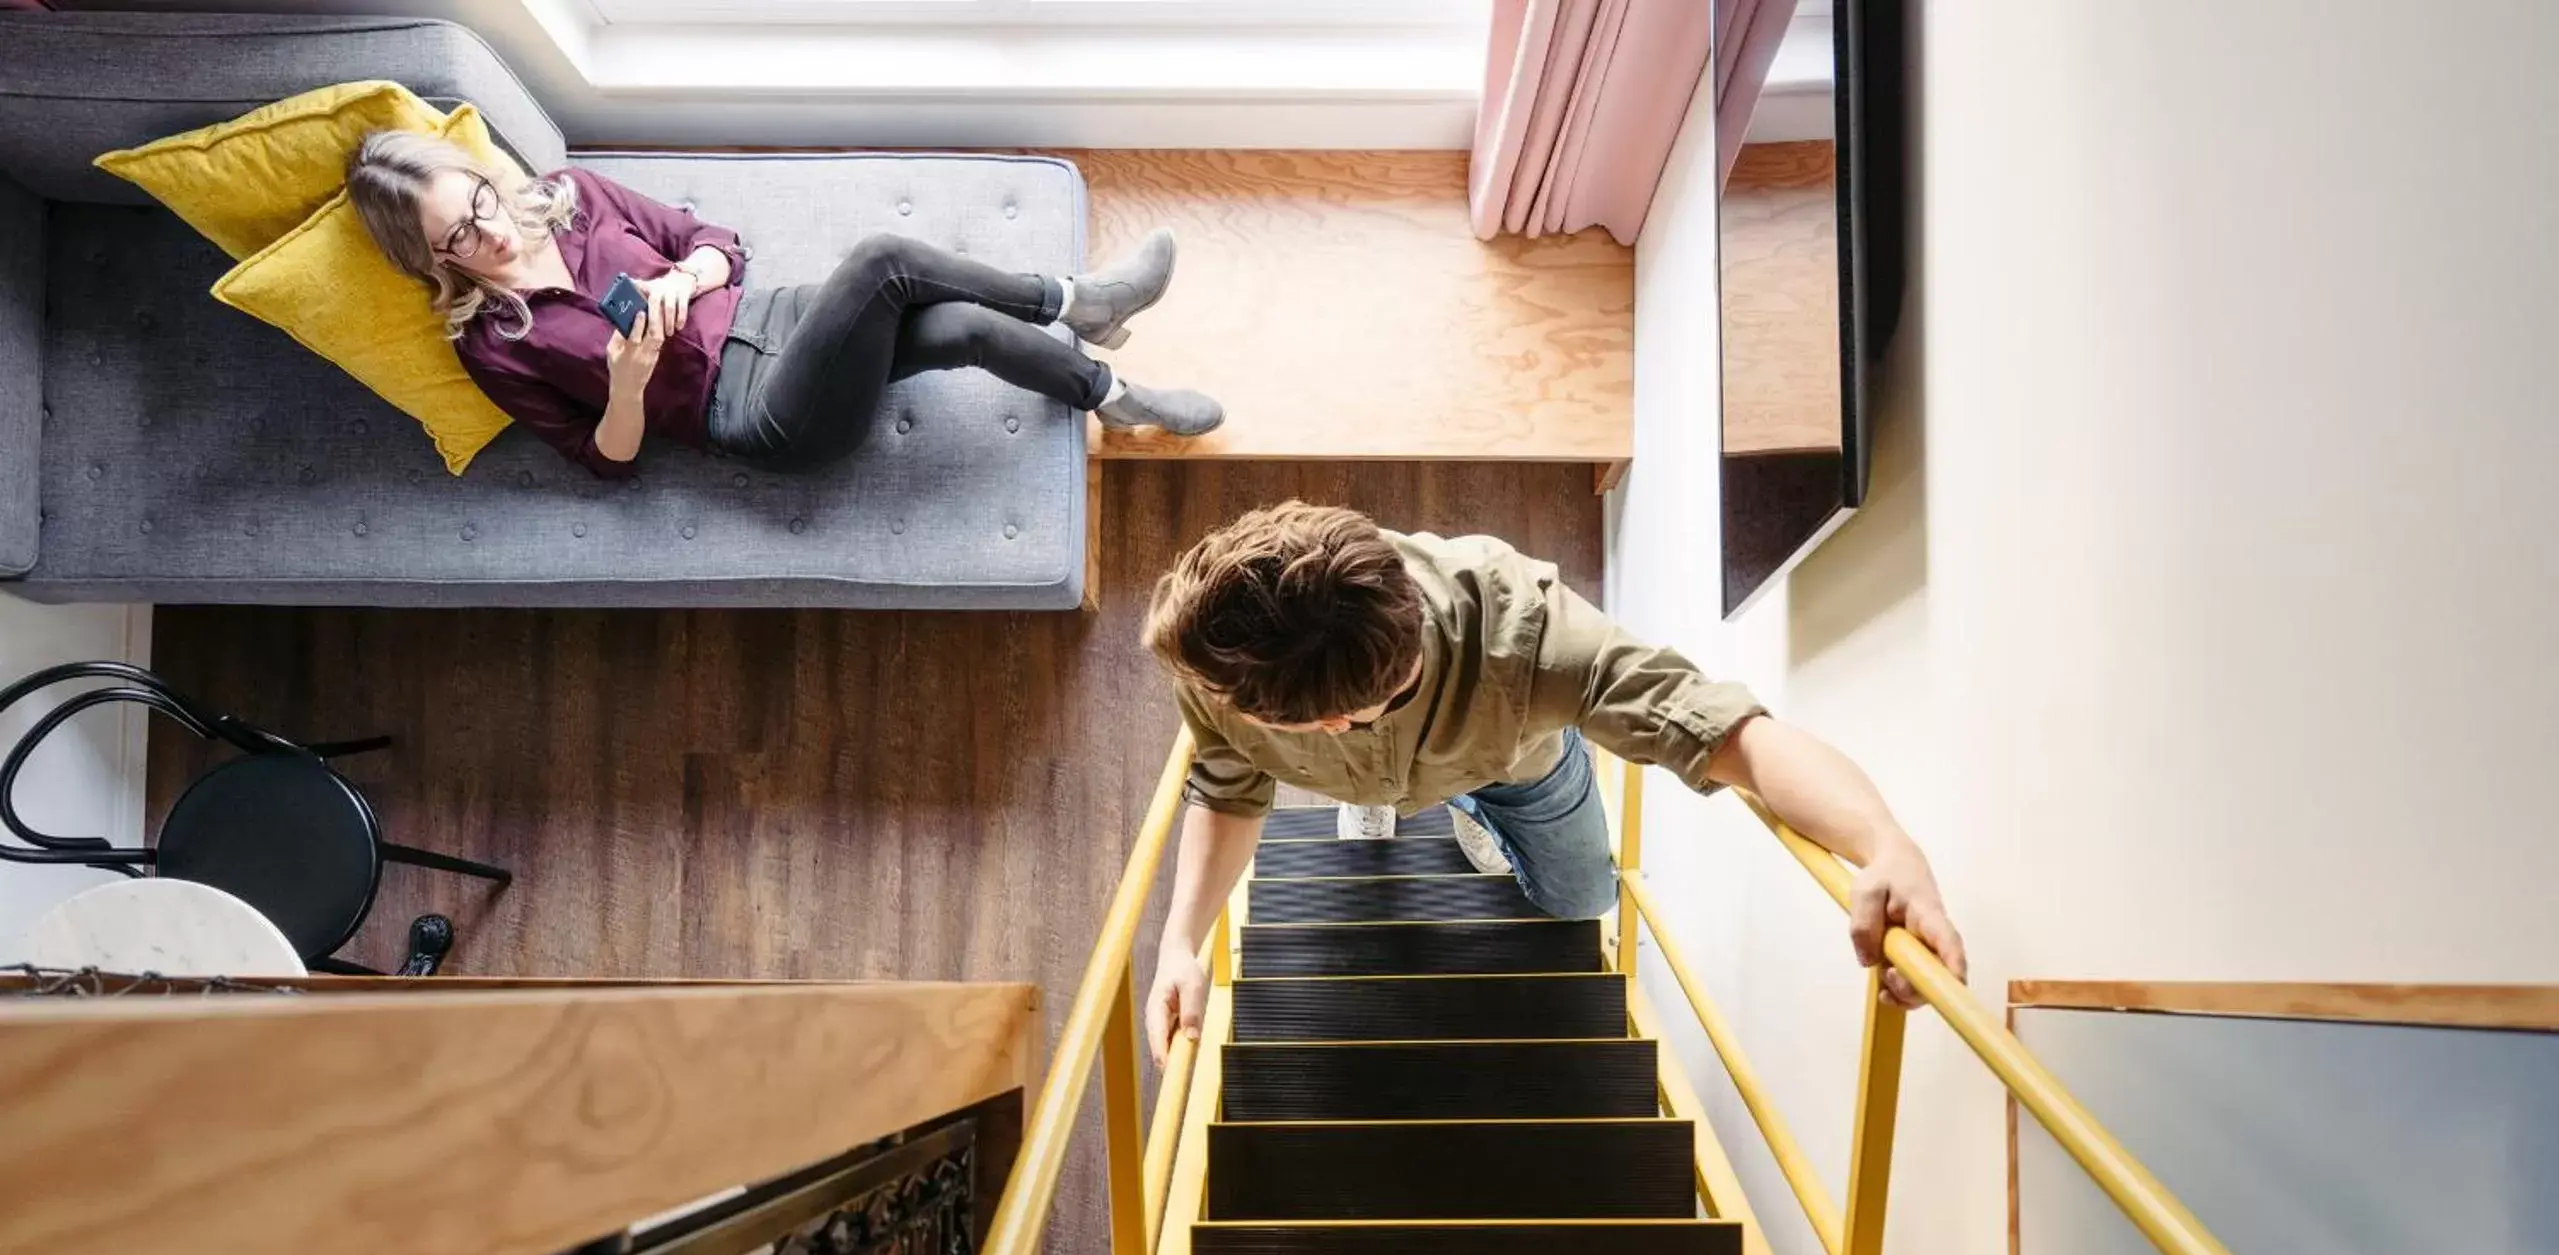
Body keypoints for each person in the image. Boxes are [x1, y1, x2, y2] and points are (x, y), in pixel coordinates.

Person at [1138, 501, 1968, 1063]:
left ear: (1329, 722)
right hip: (1365, 767)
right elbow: (1227, 785)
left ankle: (1471, 808)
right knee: (1373, 798)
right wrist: (1179, 942)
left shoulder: (1533, 643)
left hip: (1514, 768)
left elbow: (1735, 737)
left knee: (1581, 901)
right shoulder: (1226, 656)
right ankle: (1380, 802)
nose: (1208, 708)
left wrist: (1883, 843)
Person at [346, 132, 1221, 479]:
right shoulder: (494, 346)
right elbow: (604, 464)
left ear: (481, 179)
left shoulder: (570, 193)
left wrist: (682, 281)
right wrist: (627, 382)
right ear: (427, 260)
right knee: (883, 257)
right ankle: (1082, 299)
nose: (488, 234)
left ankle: (1112, 396)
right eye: (456, 238)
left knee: (960, 328)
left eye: (477, 204)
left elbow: (715, 241)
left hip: (780, 318)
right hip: (758, 414)